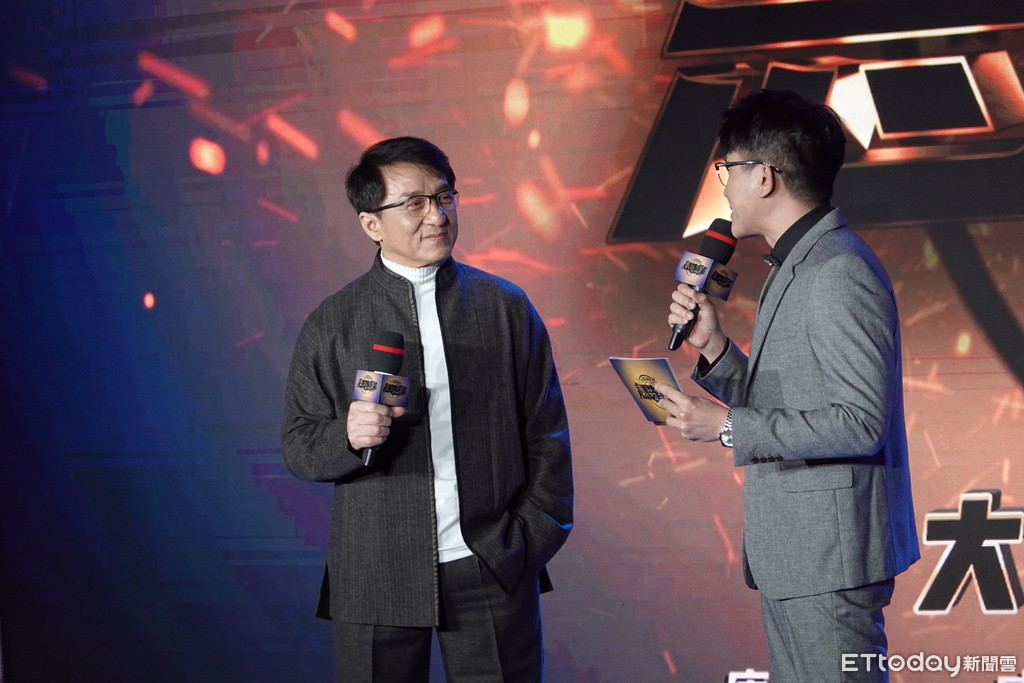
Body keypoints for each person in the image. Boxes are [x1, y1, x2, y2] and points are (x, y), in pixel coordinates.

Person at [281, 136, 573, 682]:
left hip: (489, 560)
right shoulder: (333, 321)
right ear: (371, 223)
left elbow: (547, 434)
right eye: (414, 203)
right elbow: (299, 446)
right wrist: (348, 436)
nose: (436, 215)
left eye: (444, 197)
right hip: (375, 570)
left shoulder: (504, 306)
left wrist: (524, 542)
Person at [656, 90, 919, 682]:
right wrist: (715, 348)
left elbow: (860, 423)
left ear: (764, 176)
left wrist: (727, 427)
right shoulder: (799, 261)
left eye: (727, 169)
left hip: (830, 557)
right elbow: (793, 402)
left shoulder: (837, 270)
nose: (724, 187)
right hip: (801, 554)